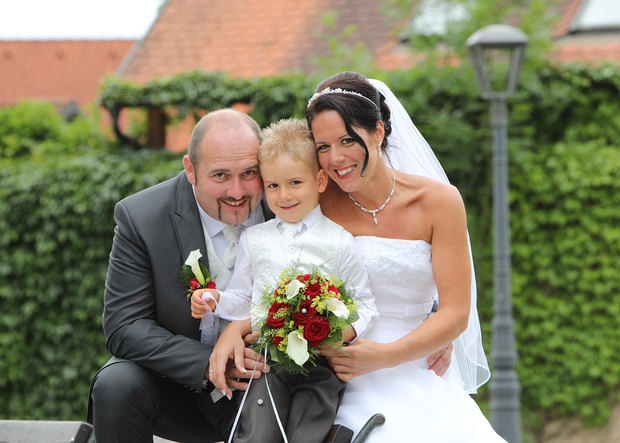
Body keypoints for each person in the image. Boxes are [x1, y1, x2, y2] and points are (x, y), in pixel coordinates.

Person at [302, 72, 502, 441]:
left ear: (378, 131)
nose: (336, 158)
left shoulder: (439, 202)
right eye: (323, 146)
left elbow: (455, 312)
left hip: (415, 363)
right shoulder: (315, 200)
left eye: (348, 140)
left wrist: (384, 356)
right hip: (336, 373)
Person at [87, 109, 271, 443]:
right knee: (116, 384)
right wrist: (209, 362)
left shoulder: (290, 204)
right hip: (179, 388)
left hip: (267, 382)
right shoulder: (140, 217)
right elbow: (124, 326)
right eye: (220, 175)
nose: (237, 190)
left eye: (250, 172)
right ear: (190, 169)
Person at [190, 118, 378, 442]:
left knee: (307, 436)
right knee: (259, 434)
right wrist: (215, 300)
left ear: (320, 181)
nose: (284, 195)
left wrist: (340, 333)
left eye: (295, 183)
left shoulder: (339, 241)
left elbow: (366, 305)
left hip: (319, 365)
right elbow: (243, 298)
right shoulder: (255, 239)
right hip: (267, 362)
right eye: (273, 185)